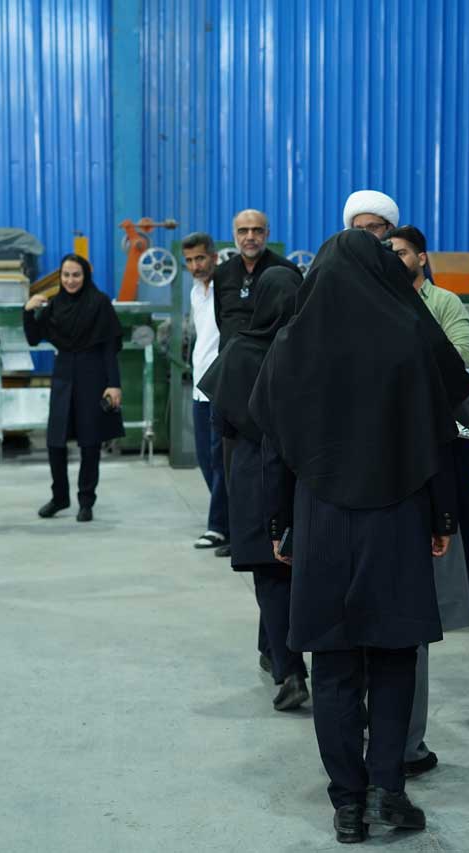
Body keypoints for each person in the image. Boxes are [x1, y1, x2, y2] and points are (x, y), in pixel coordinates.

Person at [252, 229, 469, 844]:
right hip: (396, 517)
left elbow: (274, 445)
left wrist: (279, 523)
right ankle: (387, 791)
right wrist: (443, 518)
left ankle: (347, 804)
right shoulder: (409, 336)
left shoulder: (292, 344)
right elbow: (439, 435)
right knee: (394, 656)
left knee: (333, 664)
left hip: (320, 519)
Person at [386, 223, 469, 778]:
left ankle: (391, 743)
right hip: (404, 486)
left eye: (399, 250)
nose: (392, 258)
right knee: (402, 627)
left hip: (401, 478)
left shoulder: (439, 306)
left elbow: (458, 364)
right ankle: (400, 746)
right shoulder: (396, 320)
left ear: (421, 257)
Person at [199, 266, 309, 712]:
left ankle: (290, 670)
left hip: (250, 472)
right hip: (304, 473)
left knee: (269, 572)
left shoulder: (239, 350)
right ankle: (273, 649)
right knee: (296, 571)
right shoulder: (310, 349)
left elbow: (220, 424)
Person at [210, 209, 300, 558]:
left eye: (257, 230)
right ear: (234, 234)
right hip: (236, 379)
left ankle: (276, 533)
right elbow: (221, 319)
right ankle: (236, 532)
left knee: (273, 467)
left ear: (267, 233)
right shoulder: (223, 274)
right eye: (244, 230)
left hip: (275, 376)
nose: (250, 236)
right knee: (231, 466)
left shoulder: (284, 271)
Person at [23, 254, 124, 523]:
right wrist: (29, 311)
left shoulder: (99, 303)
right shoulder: (55, 305)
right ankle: (60, 497)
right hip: (64, 374)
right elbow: (33, 339)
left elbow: (109, 348)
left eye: (76, 275)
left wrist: (114, 384)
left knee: (90, 442)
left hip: (93, 374)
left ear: (85, 275)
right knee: (55, 440)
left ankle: (86, 501)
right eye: (66, 275)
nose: (70, 280)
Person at [182, 233, 229, 551]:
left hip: (222, 386)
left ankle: (218, 526)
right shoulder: (195, 292)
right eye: (189, 261)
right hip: (200, 387)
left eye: (200, 258)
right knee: (204, 457)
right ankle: (226, 520)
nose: (195, 266)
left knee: (220, 458)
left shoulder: (225, 289)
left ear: (213, 257)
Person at [386, 225, 469, 367]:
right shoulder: (384, 301)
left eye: (401, 254)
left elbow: (466, 355)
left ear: (421, 259)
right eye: (390, 255)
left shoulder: (445, 301)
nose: (394, 260)